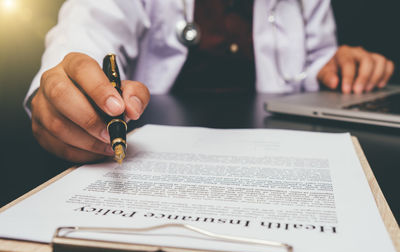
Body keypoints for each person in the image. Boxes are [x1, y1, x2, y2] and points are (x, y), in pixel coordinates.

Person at [25, 0, 394, 163]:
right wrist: (67, 88)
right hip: (160, 146)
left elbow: (310, 63)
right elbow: (84, 37)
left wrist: (335, 66)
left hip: (278, 148)